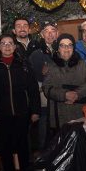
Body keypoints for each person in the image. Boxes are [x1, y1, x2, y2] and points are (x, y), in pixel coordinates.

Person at [0, 34, 40, 171]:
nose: (7, 46)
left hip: (22, 114)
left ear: (14, 46)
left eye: (10, 43)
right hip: (1, 116)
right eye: (3, 43)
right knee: (5, 149)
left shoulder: (24, 65)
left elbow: (33, 90)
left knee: (23, 147)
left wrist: (35, 111)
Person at [42, 33, 86, 129]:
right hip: (59, 115)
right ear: (58, 48)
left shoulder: (82, 64)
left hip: (80, 113)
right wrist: (64, 95)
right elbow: (46, 87)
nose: (66, 48)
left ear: (73, 48)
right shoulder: (51, 66)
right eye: (62, 45)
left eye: (70, 45)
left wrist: (77, 94)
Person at [29, 20, 58, 150]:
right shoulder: (37, 53)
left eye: (53, 31)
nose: (50, 34)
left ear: (57, 34)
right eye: (47, 31)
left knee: (57, 125)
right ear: (42, 34)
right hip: (43, 96)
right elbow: (36, 75)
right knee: (44, 125)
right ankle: (42, 152)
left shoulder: (62, 49)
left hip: (59, 94)